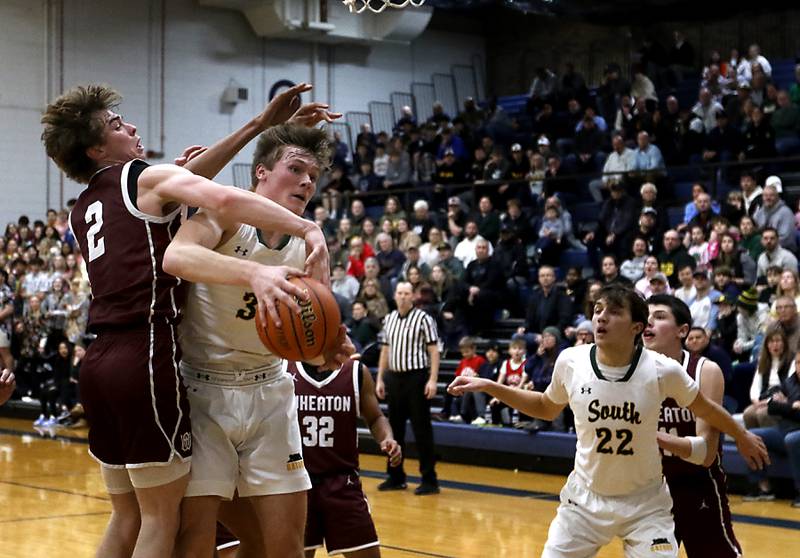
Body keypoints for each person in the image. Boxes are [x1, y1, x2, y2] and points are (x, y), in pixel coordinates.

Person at [40, 82, 334, 558]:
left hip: (97, 360)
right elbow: (214, 195)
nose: (131, 126)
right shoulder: (142, 177)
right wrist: (304, 225)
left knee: (127, 516)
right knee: (161, 520)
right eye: (116, 125)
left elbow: (182, 183)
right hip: (146, 354)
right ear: (96, 148)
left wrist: (263, 125)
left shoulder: (86, 205)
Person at [448, 285, 768, 558]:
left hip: (646, 505)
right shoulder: (570, 361)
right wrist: (491, 385)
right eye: (598, 309)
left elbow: (707, 410)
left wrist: (740, 434)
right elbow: (546, 406)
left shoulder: (662, 370)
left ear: (636, 328)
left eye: (614, 311)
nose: (601, 316)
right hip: (584, 501)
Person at [163, 124, 353, 557]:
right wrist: (255, 273)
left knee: (284, 546)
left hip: (270, 390)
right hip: (202, 391)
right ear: (261, 174)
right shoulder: (226, 217)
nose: (307, 180)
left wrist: (329, 349)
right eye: (296, 168)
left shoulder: (311, 245)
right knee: (195, 542)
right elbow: (176, 256)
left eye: (314, 174)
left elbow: (316, 342)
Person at [643, 295, 742, 557]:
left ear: (683, 331)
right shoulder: (628, 371)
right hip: (649, 486)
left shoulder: (704, 371)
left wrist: (647, 435)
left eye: (660, 316)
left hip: (697, 483)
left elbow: (707, 453)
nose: (648, 322)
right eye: (646, 316)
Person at [291, 358, 401, 558]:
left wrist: (387, 438)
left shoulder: (357, 372)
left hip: (343, 483)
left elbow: (376, 417)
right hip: (297, 483)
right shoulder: (284, 367)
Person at [375, 282, 440, 495]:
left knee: (422, 429)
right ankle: (395, 476)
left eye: (407, 293)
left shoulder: (423, 318)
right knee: (395, 430)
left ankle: (429, 479)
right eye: (400, 293)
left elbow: (434, 351)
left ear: (413, 296)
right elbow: (385, 350)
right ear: (394, 296)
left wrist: (432, 380)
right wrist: (380, 379)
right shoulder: (389, 319)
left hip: (417, 377)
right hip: (394, 378)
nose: (403, 297)